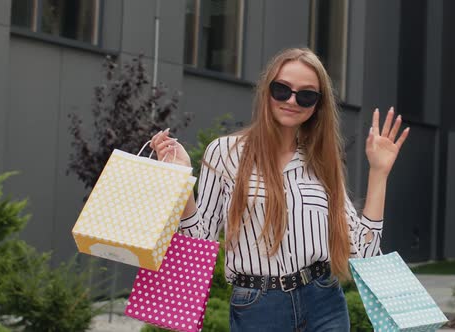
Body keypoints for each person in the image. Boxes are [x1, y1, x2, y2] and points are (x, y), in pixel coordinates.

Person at [149, 48, 409, 331]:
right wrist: (181, 179)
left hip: (325, 302)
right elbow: (199, 241)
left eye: (307, 94)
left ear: (317, 105)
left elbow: (365, 251)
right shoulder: (224, 154)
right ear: (267, 91)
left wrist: (379, 173)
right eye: (282, 89)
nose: (292, 100)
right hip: (259, 307)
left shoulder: (321, 162)